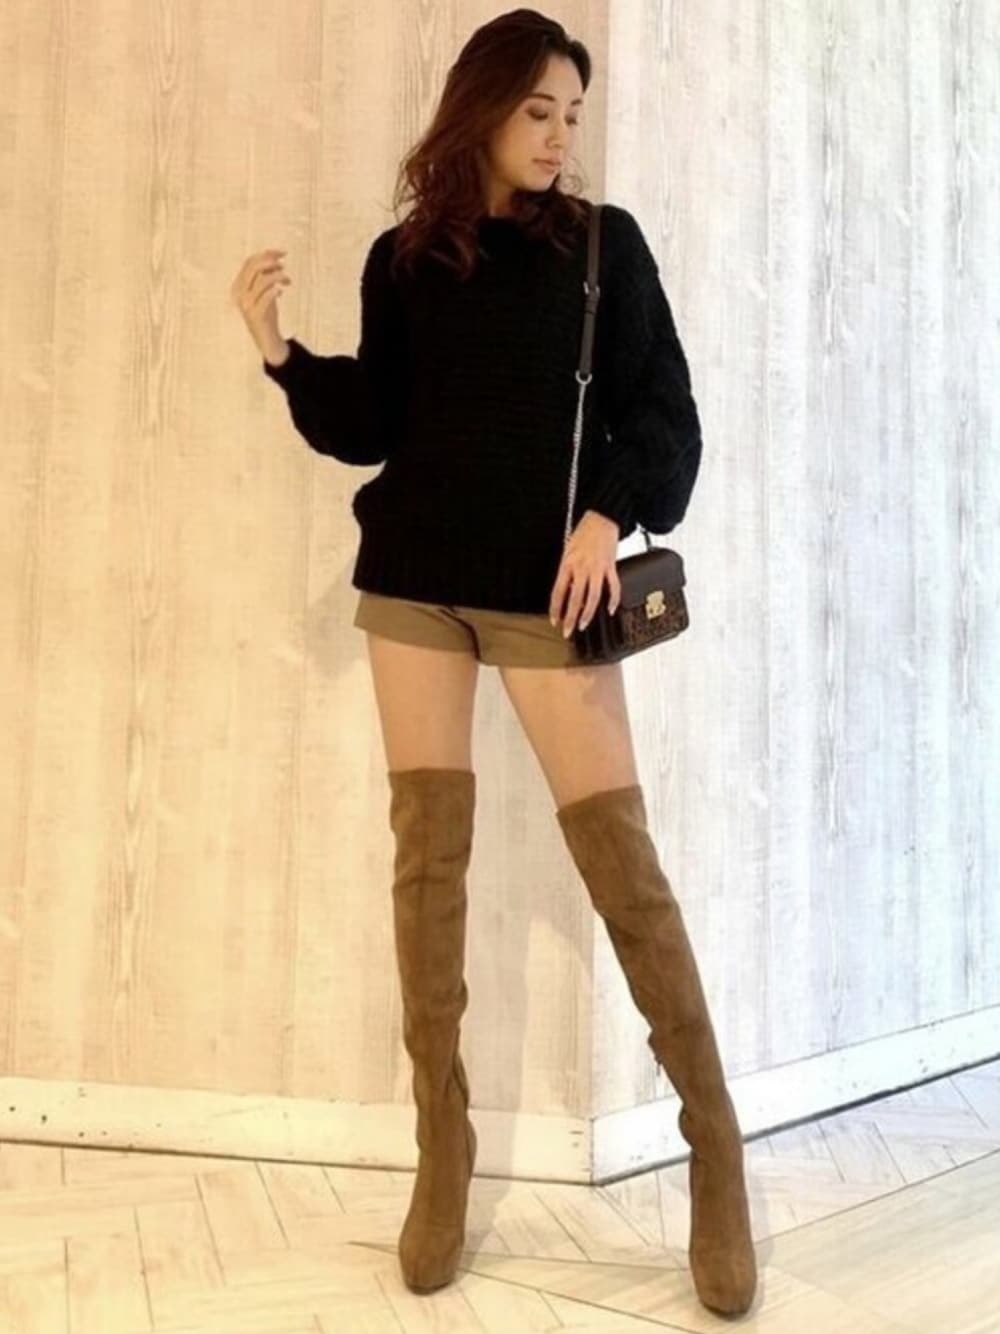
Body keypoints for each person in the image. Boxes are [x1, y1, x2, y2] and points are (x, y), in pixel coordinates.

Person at [231, 7, 756, 1318]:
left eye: (572, 113)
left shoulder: (603, 249)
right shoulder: (406, 258)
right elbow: (379, 423)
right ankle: (444, 1152)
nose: (561, 133)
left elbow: (668, 416)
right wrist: (280, 352)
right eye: (539, 110)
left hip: (547, 592)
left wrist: (603, 515)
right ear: (481, 109)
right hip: (414, 578)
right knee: (427, 865)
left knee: (622, 867)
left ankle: (715, 1152)